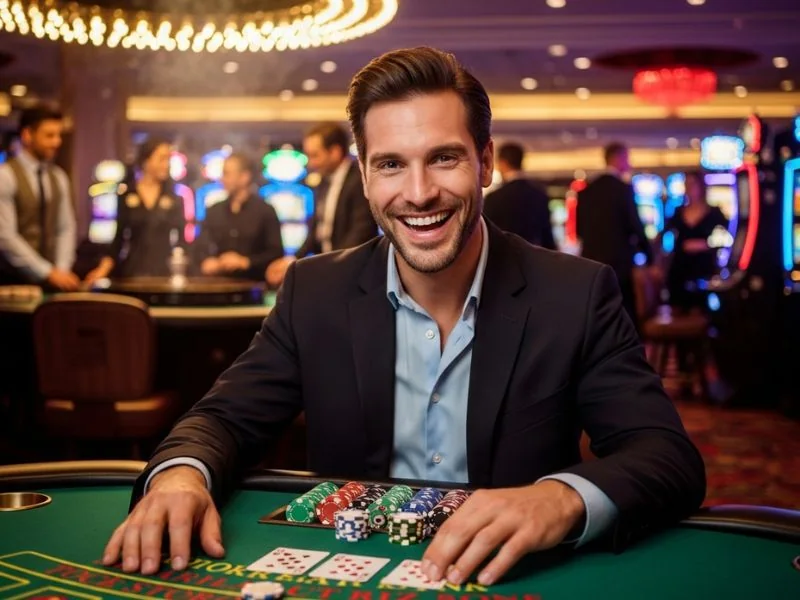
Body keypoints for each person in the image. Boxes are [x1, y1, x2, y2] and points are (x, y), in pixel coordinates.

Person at [102, 47, 705, 586]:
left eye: (444, 158)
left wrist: (558, 498)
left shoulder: (574, 293)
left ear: (486, 162)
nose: (418, 193)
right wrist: (181, 477)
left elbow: (665, 456)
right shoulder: (316, 290)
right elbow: (223, 419)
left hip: (509, 580)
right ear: (364, 175)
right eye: (391, 164)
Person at [265, 122, 377, 286]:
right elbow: (317, 232)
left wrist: (330, 266)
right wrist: (292, 260)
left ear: (335, 152)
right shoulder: (322, 183)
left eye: (315, 155)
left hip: (356, 274)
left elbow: (361, 233)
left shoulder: (361, 180)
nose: (310, 163)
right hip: (332, 271)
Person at [0, 106, 78, 290]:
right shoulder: (5, 176)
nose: (57, 142)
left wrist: (61, 269)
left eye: (59, 135)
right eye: (49, 135)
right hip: (11, 284)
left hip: (51, 283)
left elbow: (65, 227)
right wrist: (47, 272)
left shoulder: (58, 177)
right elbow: (5, 236)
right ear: (27, 135)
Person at [576, 142, 654, 327]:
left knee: (597, 316)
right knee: (625, 316)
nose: (629, 163)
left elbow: (579, 230)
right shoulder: (623, 189)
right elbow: (635, 227)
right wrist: (650, 257)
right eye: (627, 158)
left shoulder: (586, 191)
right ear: (617, 158)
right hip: (619, 264)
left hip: (590, 262)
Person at [85, 139, 185, 282]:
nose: (166, 165)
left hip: (164, 274)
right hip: (132, 271)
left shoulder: (174, 198)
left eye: (168, 159)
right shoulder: (126, 195)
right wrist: (102, 270)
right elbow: (118, 239)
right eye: (162, 159)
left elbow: (182, 242)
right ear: (146, 161)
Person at [193, 153, 284, 280]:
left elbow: (276, 253)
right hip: (218, 285)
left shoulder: (265, 211)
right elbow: (199, 248)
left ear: (244, 177)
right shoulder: (213, 210)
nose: (222, 179)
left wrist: (246, 262)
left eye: (226, 174)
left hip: (254, 287)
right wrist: (208, 261)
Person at [664, 170, 728, 312]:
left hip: (704, 269)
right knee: (679, 308)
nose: (689, 187)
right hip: (680, 269)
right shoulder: (677, 211)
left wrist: (707, 245)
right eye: (686, 184)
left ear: (701, 186)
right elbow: (663, 235)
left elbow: (731, 235)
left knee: (706, 310)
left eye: (693, 184)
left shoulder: (714, 212)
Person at [483, 142, 556, 249]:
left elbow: (488, 234)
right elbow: (547, 235)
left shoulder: (494, 198)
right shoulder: (538, 194)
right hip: (533, 256)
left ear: (503, 163)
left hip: (504, 257)